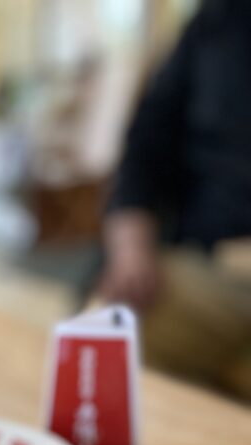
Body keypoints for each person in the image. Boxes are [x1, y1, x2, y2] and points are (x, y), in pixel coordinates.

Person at [99, 0, 251, 402]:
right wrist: (130, 245)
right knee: (101, 344)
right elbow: (147, 142)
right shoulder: (219, 20)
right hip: (210, 270)